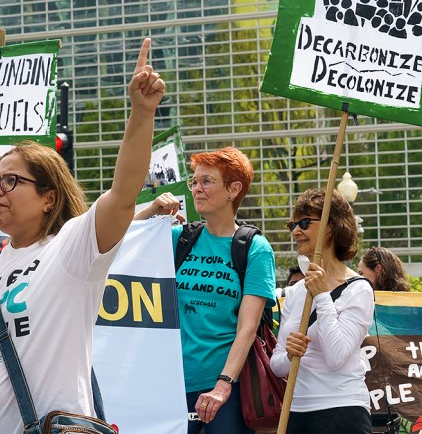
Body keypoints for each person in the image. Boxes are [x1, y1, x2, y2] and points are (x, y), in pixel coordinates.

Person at [0, 38, 165, 433]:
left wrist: (142, 113)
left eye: (11, 180)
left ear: (49, 198)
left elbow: (122, 194)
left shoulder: (71, 249)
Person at [135, 146, 276, 434]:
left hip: (224, 388)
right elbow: (118, 242)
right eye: (194, 181)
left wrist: (223, 386)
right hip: (169, 385)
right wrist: (151, 210)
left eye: (207, 181)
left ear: (233, 189)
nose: (197, 189)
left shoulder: (254, 249)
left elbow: (247, 329)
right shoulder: (179, 238)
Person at [271, 188, 375, 434]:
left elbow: (337, 356)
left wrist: (322, 296)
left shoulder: (358, 289)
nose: (296, 231)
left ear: (331, 226)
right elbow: (276, 366)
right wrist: (289, 354)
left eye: (305, 223)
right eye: (293, 224)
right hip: (295, 413)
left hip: (343, 411)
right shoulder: (296, 292)